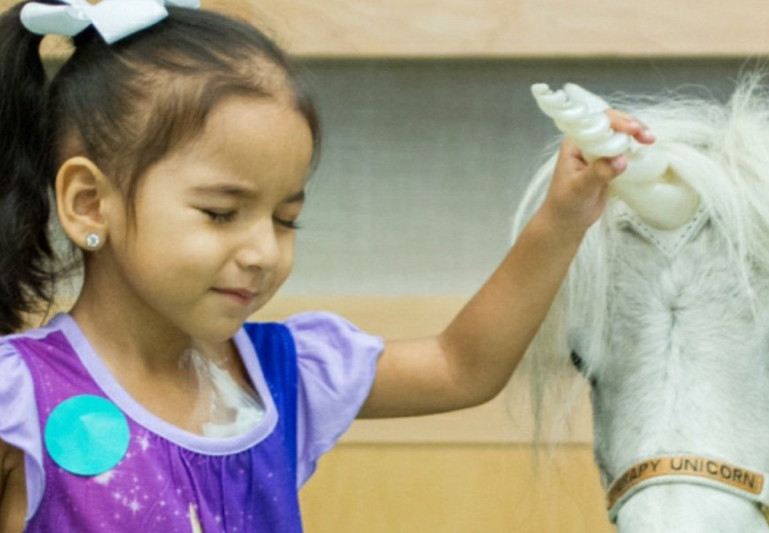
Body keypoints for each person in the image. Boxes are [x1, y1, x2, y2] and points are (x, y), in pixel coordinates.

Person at [0, 1, 653, 531]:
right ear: (89, 204)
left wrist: (563, 215)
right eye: (221, 213)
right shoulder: (19, 405)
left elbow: (460, 367)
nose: (263, 251)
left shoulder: (284, 376)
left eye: (286, 219)